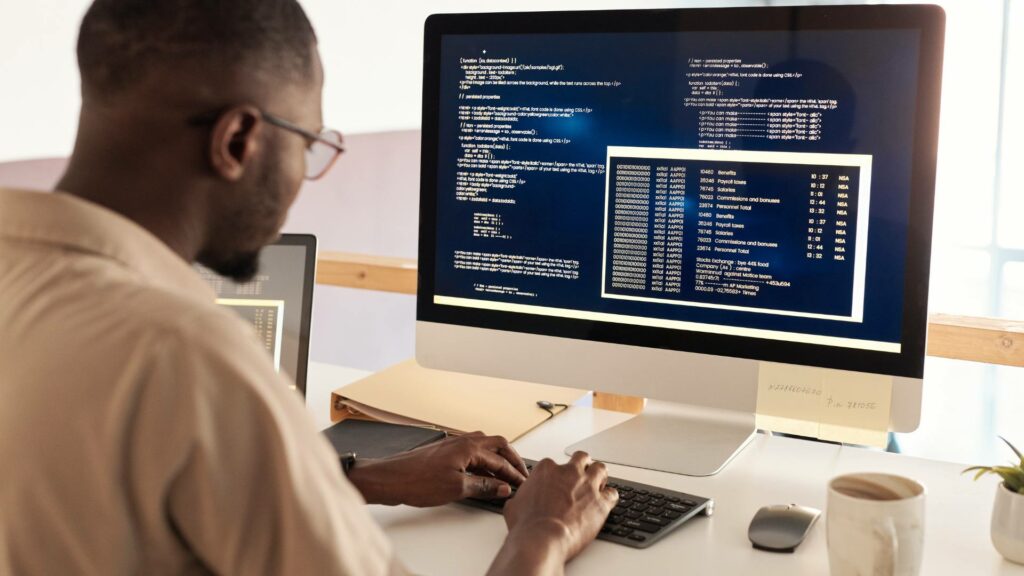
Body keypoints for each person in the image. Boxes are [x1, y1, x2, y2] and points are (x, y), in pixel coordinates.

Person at [0, 1, 618, 574]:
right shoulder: (188, 356)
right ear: (238, 140)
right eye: (309, 143)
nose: (305, 176)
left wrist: (355, 477)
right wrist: (544, 530)